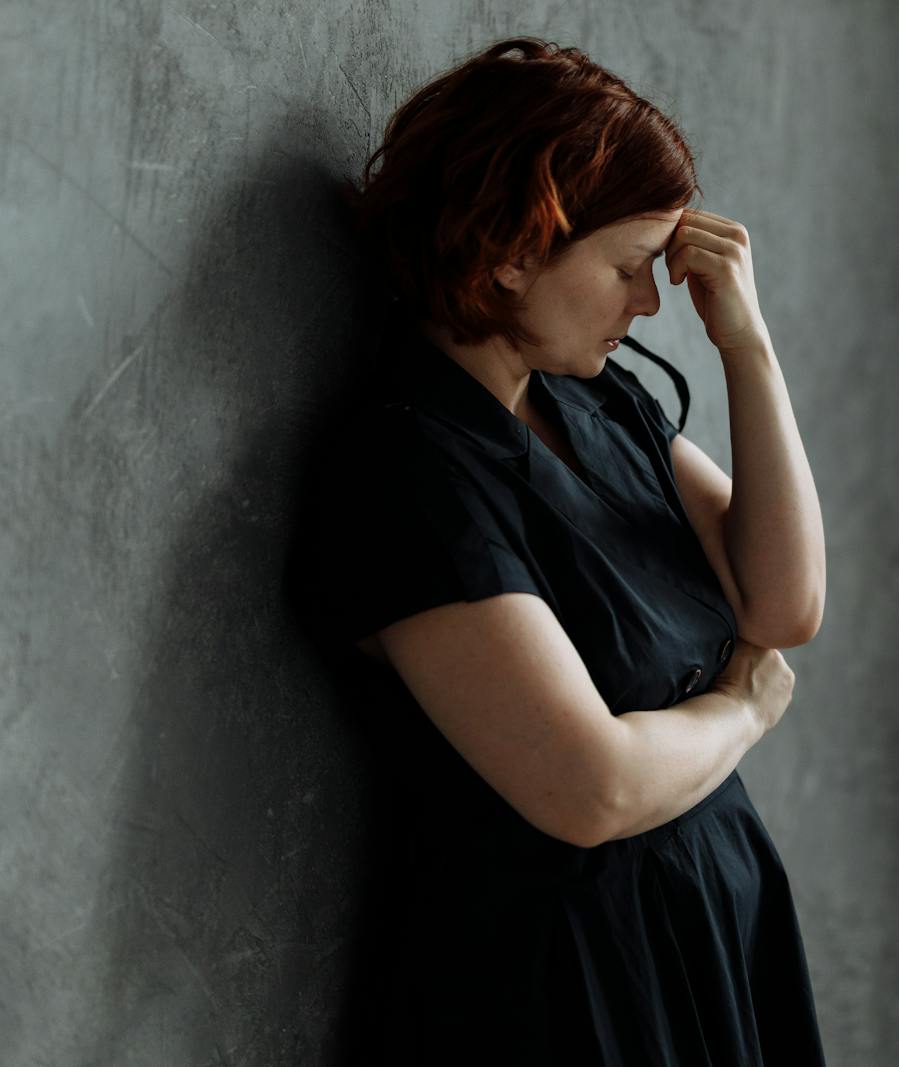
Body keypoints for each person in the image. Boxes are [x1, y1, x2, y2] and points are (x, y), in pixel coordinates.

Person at [296, 37, 828, 1063]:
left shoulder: (595, 399)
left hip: (702, 925)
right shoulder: (406, 475)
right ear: (512, 249)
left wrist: (749, 347)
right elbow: (591, 791)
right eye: (630, 266)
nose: (650, 301)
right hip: (560, 989)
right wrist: (740, 708)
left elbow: (784, 603)